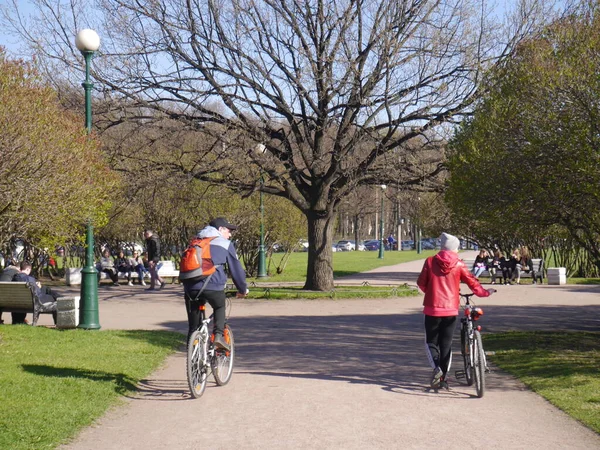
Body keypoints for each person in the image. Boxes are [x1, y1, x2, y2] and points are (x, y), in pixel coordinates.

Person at [417, 232, 495, 390]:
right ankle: (444, 378)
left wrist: (431, 292)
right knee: (446, 344)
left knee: (431, 342)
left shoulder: (430, 261)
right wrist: (485, 292)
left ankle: (437, 369)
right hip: (451, 309)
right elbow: (472, 282)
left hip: (432, 308)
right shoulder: (459, 264)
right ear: (454, 248)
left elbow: (421, 283)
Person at [182, 217, 249, 350]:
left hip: (190, 288)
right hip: (212, 286)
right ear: (220, 229)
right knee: (219, 306)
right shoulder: (224, 243)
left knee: (194, 326)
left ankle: (192, 348)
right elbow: (236, 269)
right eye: (229, 231)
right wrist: (242, 289)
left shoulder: (195, 242)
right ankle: (218, 336)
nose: (230, 234)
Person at [0, 259, 25, 324]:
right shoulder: (17, 273)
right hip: (9, 300)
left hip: (1, 298)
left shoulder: (4, 271)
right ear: (20, 268)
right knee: (20, 298)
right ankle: (18, 321)